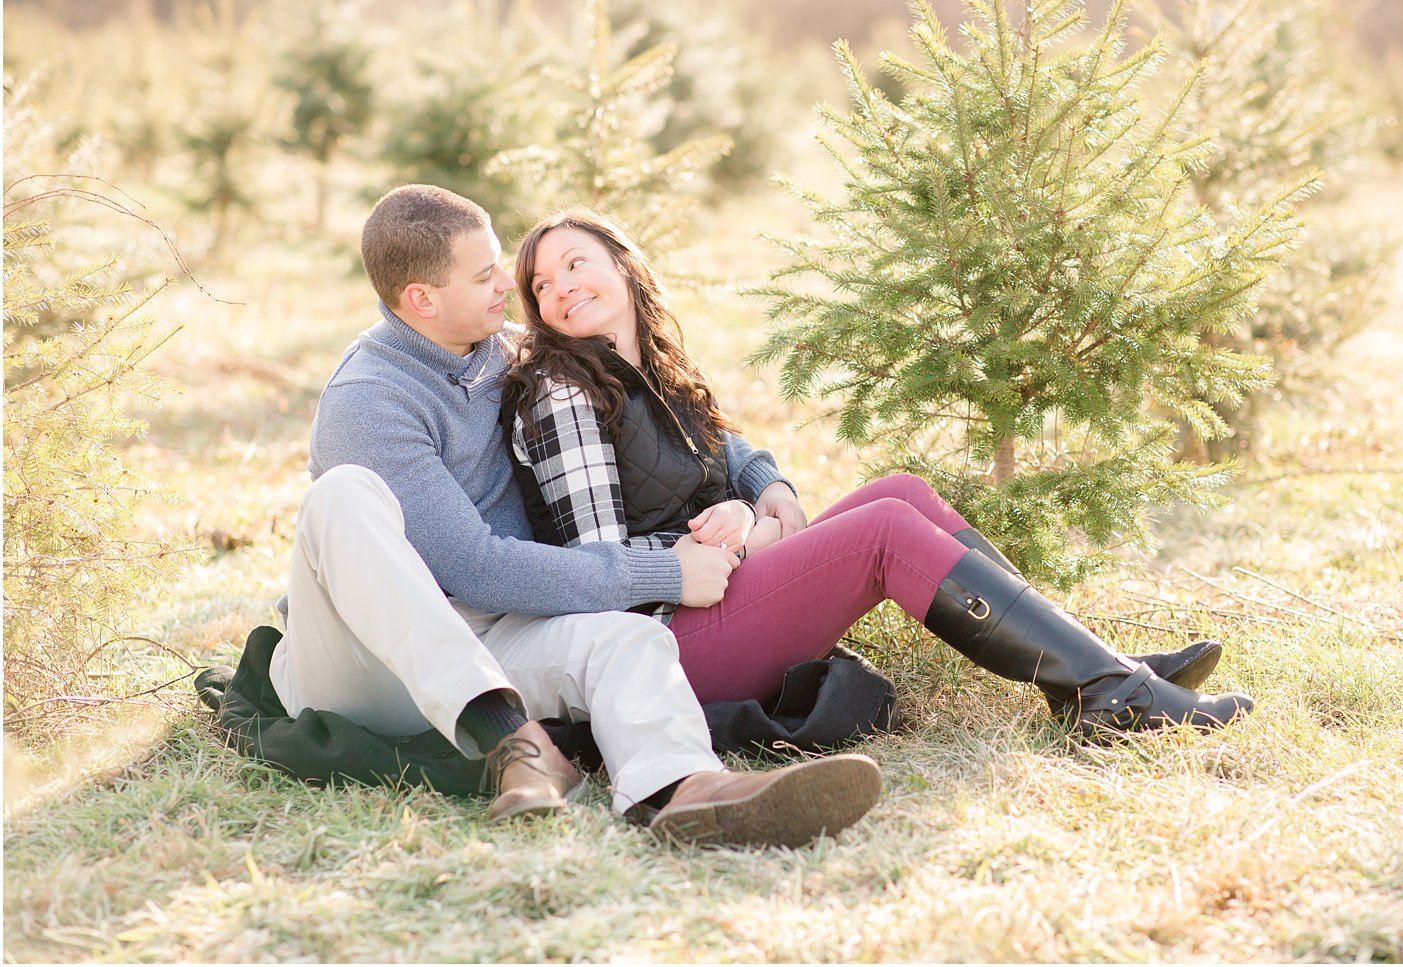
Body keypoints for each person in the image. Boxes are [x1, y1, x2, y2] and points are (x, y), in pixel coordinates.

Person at [268, 184, 884, 848]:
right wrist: (663, 572)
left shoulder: (500, 349)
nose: (509, 282)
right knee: (342, 495)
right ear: (423, 299)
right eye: (484, 275)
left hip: (494, 636)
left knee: (628, 639)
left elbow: (676, 413)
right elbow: (476, 567)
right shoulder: (370, 400)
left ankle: (687, 789)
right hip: (365, 661)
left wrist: (763, 479)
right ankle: (514, 744)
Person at [503, 206, 1256, 735]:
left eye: (577, 263)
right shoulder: (563, 391)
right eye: (542, 283)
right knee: (885, 530)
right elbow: (595, 567)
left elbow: (730, 451)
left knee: (902, 491)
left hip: (714, 602)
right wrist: (739, 543)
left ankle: (1095, 671)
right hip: (662, 644)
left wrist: (768, 492)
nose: (562, 286)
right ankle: (1116, 693)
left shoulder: (646, 366)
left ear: (625, 268)